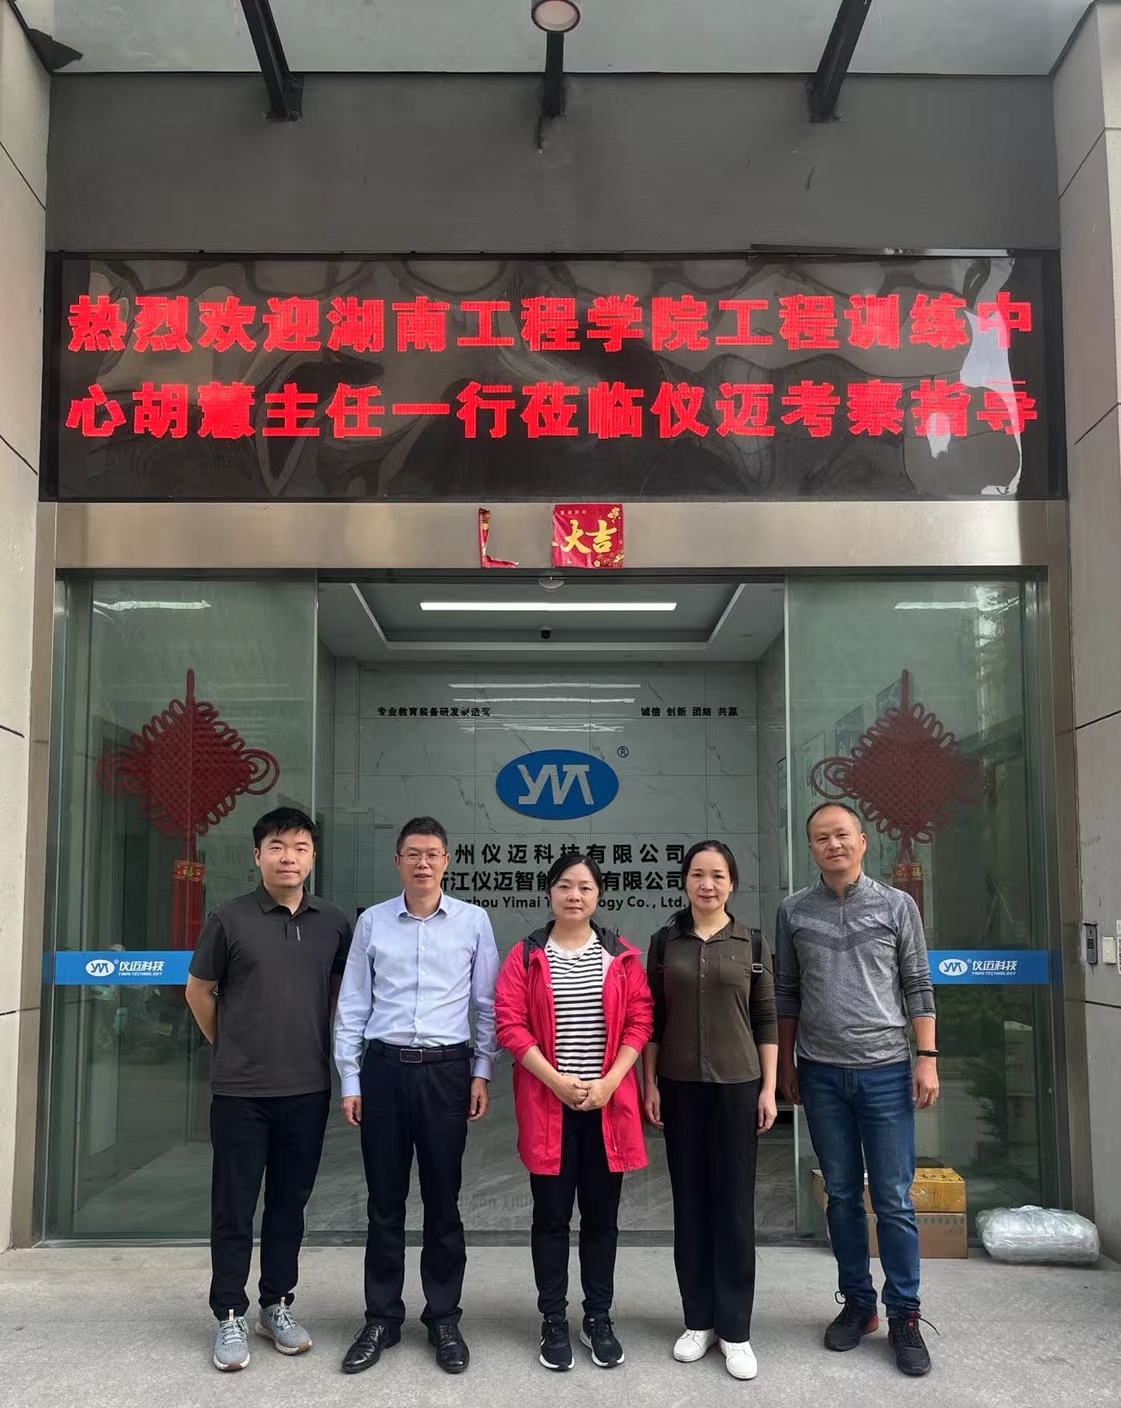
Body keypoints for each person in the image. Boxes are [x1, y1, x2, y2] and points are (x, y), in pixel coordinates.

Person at [775, 801, 939, 1378]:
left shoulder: (897, 905)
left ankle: (905, 1315)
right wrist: (787, 1063)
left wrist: (927, 1059)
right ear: (811, 848)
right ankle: (858, 1304)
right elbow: (787, 992)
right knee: (841, 1194)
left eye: (842, 835)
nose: (833, 845)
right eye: (822, 838)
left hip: (886, 1070)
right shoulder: (794, 910)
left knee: (893, 1198)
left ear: (863, 841)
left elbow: (918, 983)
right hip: (820, 1072)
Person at [185, 807, 352, 1373]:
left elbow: (341, 996)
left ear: (313, 857)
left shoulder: (333, 922)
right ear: (258, 855)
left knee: (288, 1204)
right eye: (277, 847)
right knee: (234, 1205)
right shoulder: (229, 918)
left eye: (300, 848)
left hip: (306, 1088)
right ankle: (229, 1312)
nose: (288, 857)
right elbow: (199, 991)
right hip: (241, 1092)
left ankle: (276, 1304)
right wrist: (229, 1044)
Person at [333, 816, 499, 1376]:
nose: (422, 863)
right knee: (384, 1201)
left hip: (446, 1072)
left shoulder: (473, 921)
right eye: (412, 854)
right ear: (398, 861)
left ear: (447, 861)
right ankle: (381, 1317)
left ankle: (443, 1317)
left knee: (442, 1200)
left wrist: (481, 1071)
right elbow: (353, 1003)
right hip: (383, 1071)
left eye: (432, 854)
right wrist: (351, 1078)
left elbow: (485, 1005)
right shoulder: (373, 922)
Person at [495, 853, 654, 1373]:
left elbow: (640, 1020)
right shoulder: (526, 955)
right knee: (551, 1218)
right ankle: (553, 1320)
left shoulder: (620, 955)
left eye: (585, 887)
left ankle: (598, 1317)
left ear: (598, 895)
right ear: (549, 892)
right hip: (550, 1106)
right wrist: (558, 1082)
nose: (575, 895)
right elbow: (510, 1024)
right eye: (565, 885)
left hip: (607, 1107)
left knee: (602, 1220)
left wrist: (610, 1082)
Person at [642, 841, 778, 1382]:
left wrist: (769, 1089)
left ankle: (735, 1328)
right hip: (679, 1088)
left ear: (732, 883)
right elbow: (652, 1019)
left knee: (735, 1208)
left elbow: (766, 1018)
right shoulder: (664, 943)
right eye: (698, 874)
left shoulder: (752, 942)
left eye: (718, 875)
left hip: (738, 1087)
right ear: (685, 882)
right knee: (691, 1204)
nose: (707, 884)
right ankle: (698, 1320)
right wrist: (649, 1084)